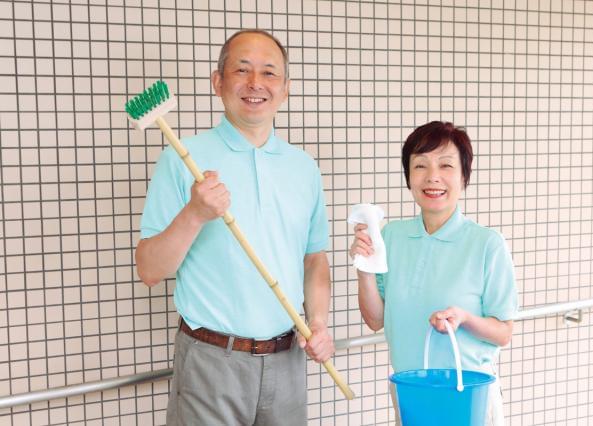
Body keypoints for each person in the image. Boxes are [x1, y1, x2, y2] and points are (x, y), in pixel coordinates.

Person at [135, 29, 334, 425]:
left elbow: (314, 259)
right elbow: (149, 269)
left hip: (287, 361)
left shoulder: (304, 167)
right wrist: (194, 213)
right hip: (210, 363)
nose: (256, 83)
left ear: (286, 88)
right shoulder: (181, 159)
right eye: (242, 70)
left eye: (269, 72)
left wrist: (318, 323)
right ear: (218, 82)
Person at [350, 121, 518, 426]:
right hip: (411, 392)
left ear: (464, 176)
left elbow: (503, 332)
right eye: (420, 165)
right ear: (409, 177)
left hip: (468, 396)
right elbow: (376, 320)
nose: (432, 177)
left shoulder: (486, 244)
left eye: (446, 165)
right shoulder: (392, 237)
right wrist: (365, 268)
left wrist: (465, 318)